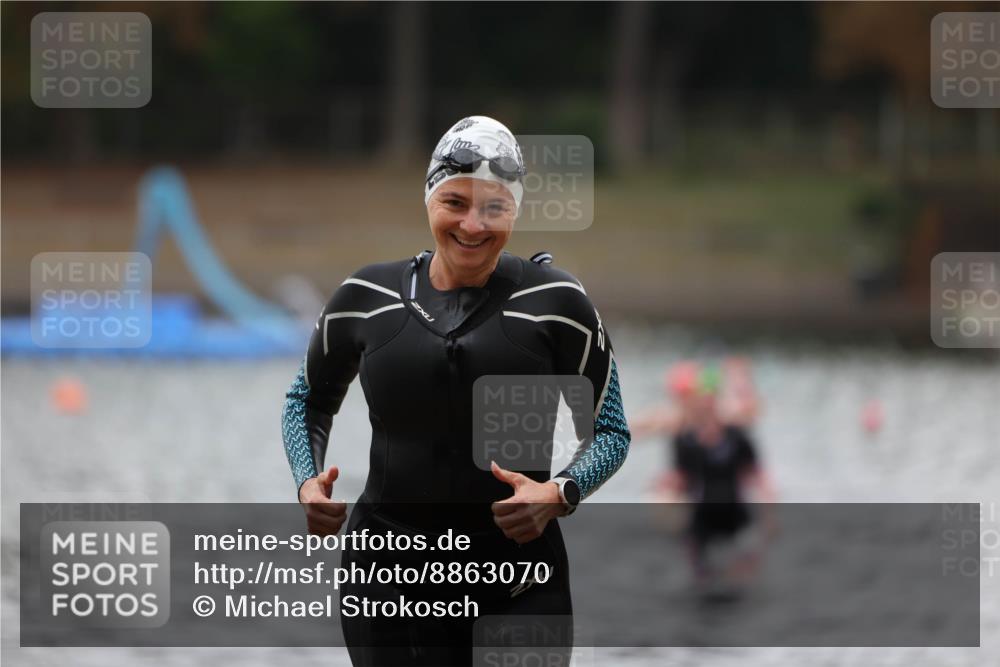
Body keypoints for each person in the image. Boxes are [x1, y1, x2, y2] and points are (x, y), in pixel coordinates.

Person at [280, 116, 631, 666]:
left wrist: (560, 493)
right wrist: (308, 482)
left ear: (514, 209)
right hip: (385, 577)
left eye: (494, 207)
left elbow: (610, 430)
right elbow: (307, 400)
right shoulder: (365, 296)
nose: (473, 224)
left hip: (515, 581)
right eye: (455, 202)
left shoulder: (558, 304)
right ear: (429, 201)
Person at [659, 369, 776, 585]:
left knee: (745, 569)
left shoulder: (737, 437)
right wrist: (666, 493)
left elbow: (756, 475)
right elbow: (679, 478)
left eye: (711, 402)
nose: (707, 408)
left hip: (736, 512)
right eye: (701, 404)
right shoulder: (685, 441)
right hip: (702, 515)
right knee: (700, 574)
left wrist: (769, 511)